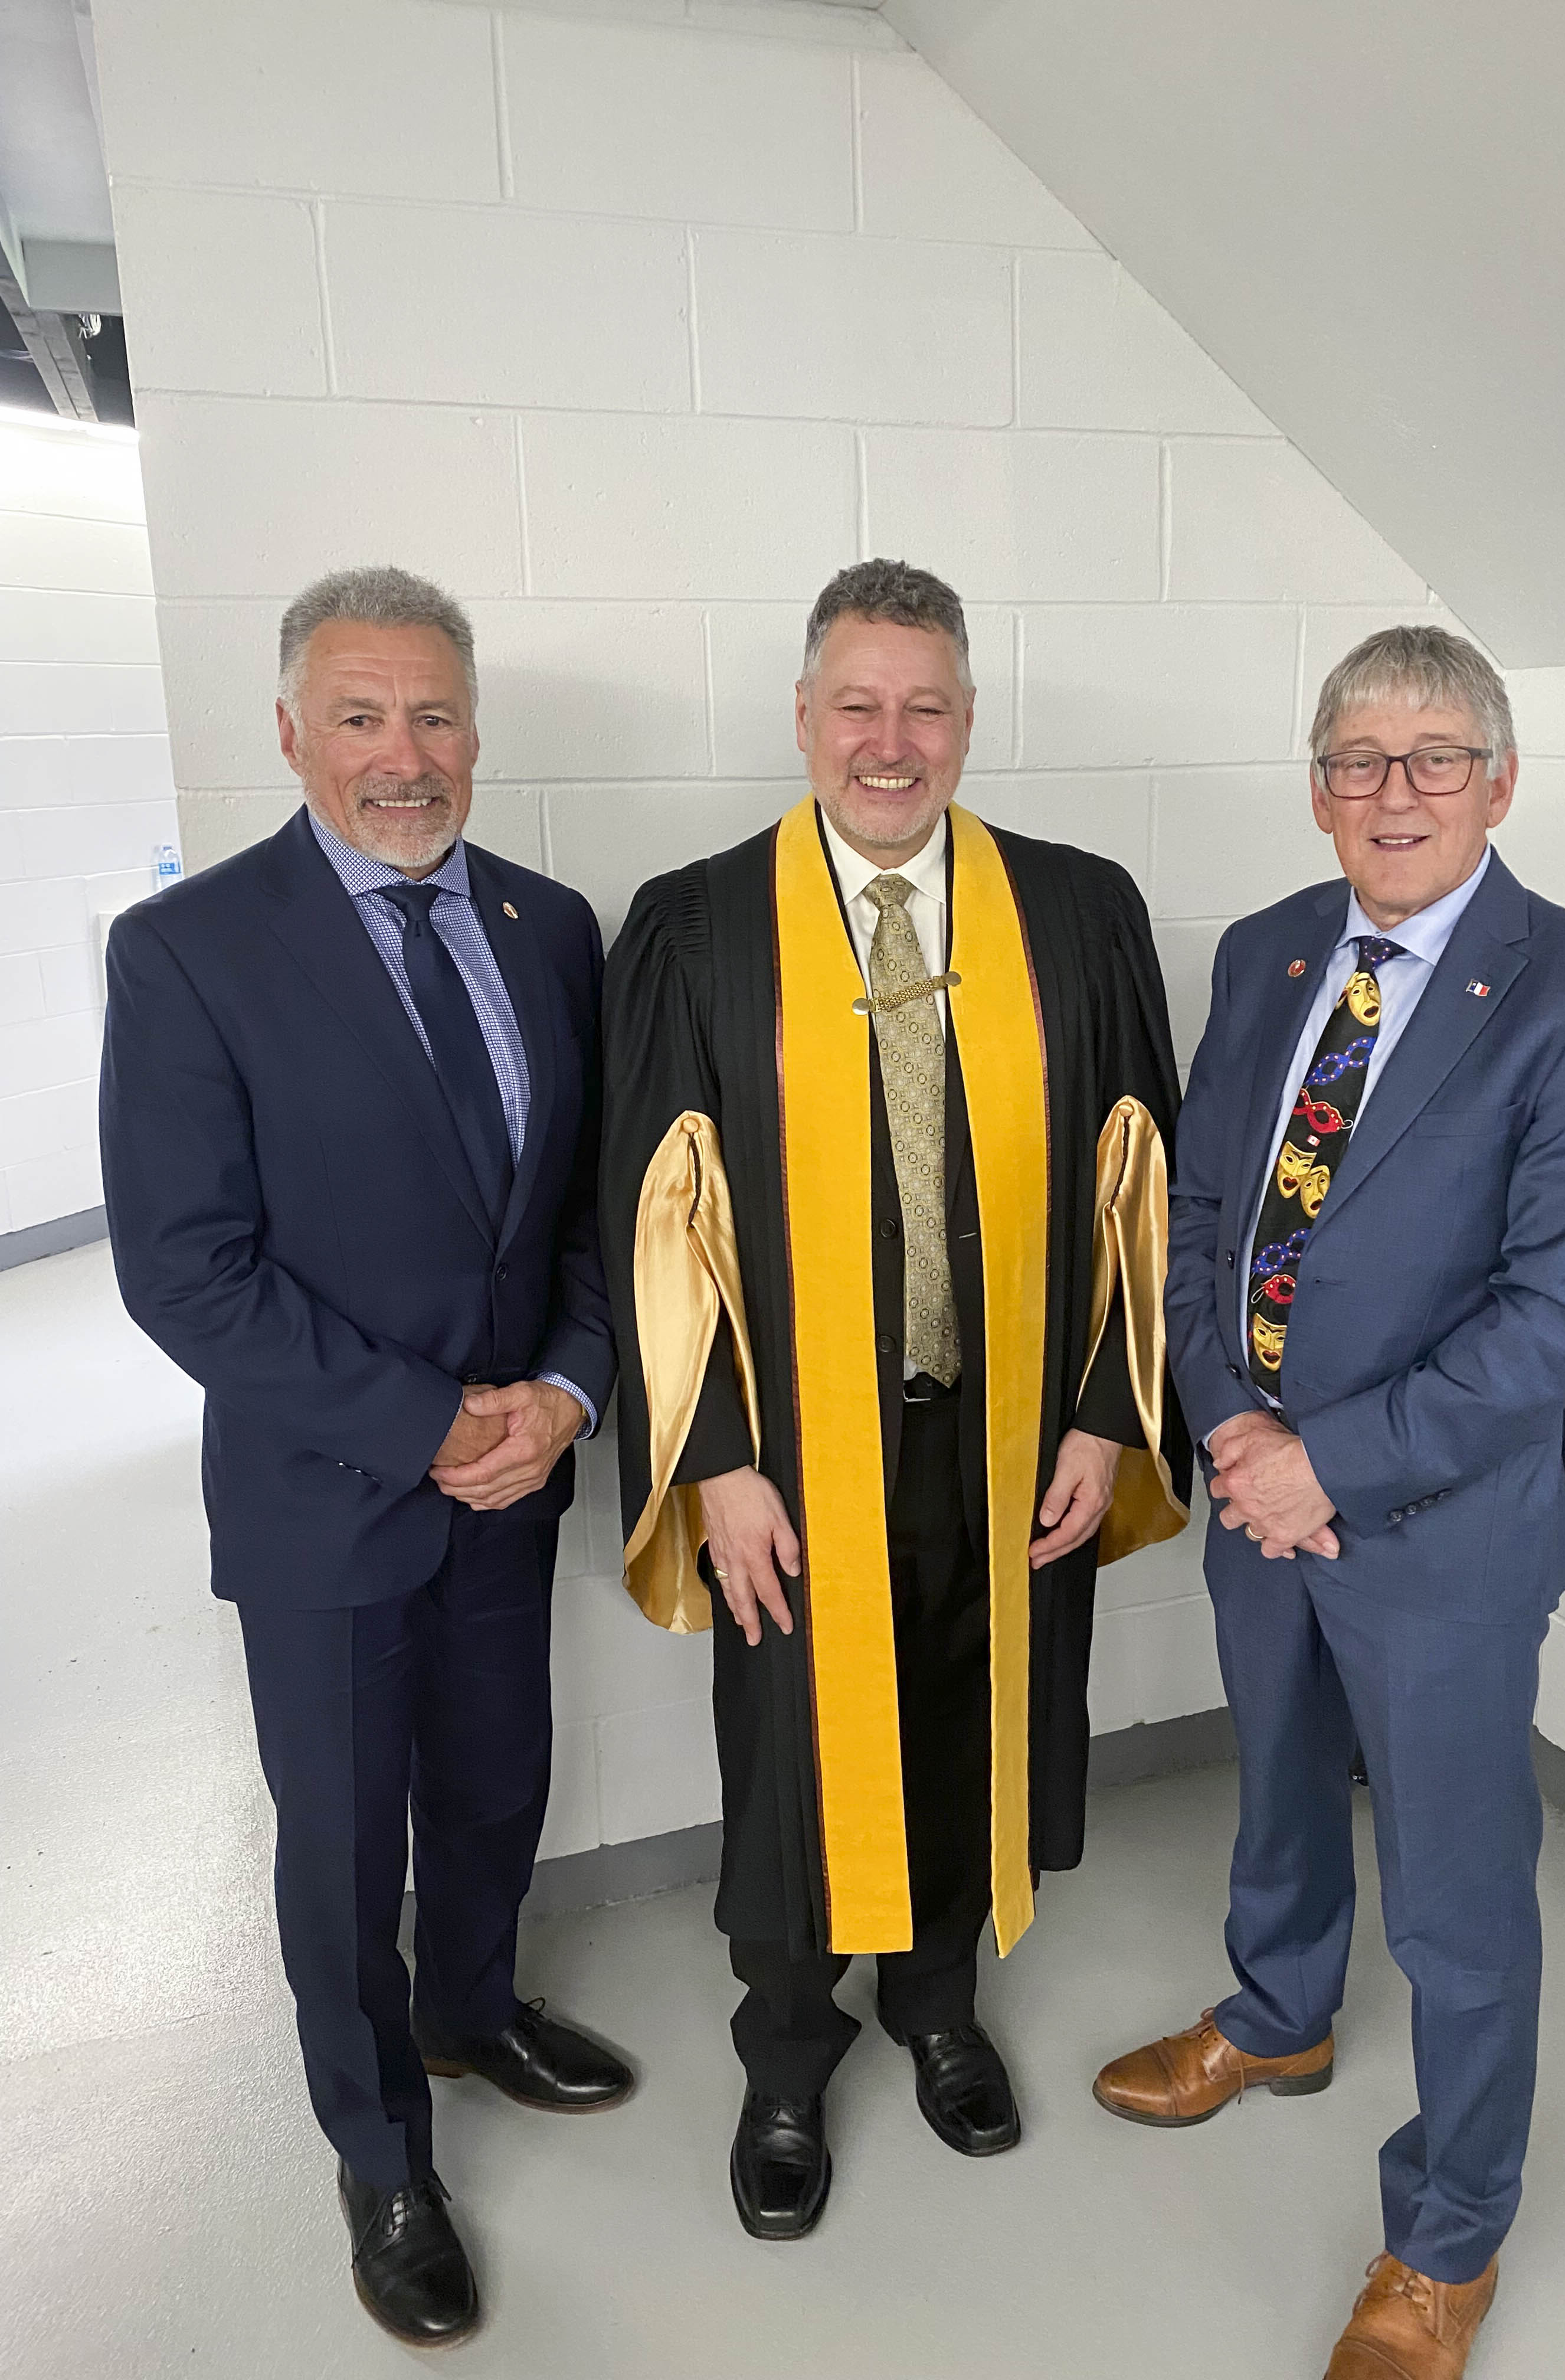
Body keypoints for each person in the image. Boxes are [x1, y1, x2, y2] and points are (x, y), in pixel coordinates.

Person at [1092, 624, 1565, 2379]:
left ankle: (1449, 2238)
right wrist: (1225, 1424)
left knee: (1455, 1892)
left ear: (1501, 782)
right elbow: (1200, 1219)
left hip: (1441, 1531)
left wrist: (1320, 1459)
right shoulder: (1271, 949)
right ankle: (1278, 2020)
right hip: (1260, 1498)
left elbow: (1555, 1319)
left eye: (1436, 758)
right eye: (1358, 757)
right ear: (1319, 783)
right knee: (1273, 1788)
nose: (1394, 791)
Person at [601, 558, 1191, 2240]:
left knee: (972, 1722)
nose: (891, 739)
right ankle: (787, 2056)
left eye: (925, 704)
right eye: (856, 703)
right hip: (793, 1456)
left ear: (969, 720)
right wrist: (713, 1462)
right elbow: (657, 1210)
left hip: (1008, 1432)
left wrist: (1101, 1409)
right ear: (801, 718)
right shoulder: (699, 926)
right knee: (792, 1749)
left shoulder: (1077, 912)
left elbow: (1139, 1181)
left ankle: (938, 2013)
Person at [99, 567, 631, 2348]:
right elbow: (188, 1268)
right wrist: (426, 1425)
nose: (401, 758)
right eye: (359, 716)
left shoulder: (554, 928)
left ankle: (473, 2012)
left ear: (474, 732)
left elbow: (584, 1212)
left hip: (516, 1475)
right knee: (340, 1839)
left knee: (495, 1780)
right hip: (332, 1494)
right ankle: (379, 2148)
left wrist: (559, 1395)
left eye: (432, 718)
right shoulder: (188, 950)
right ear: (287, 732)